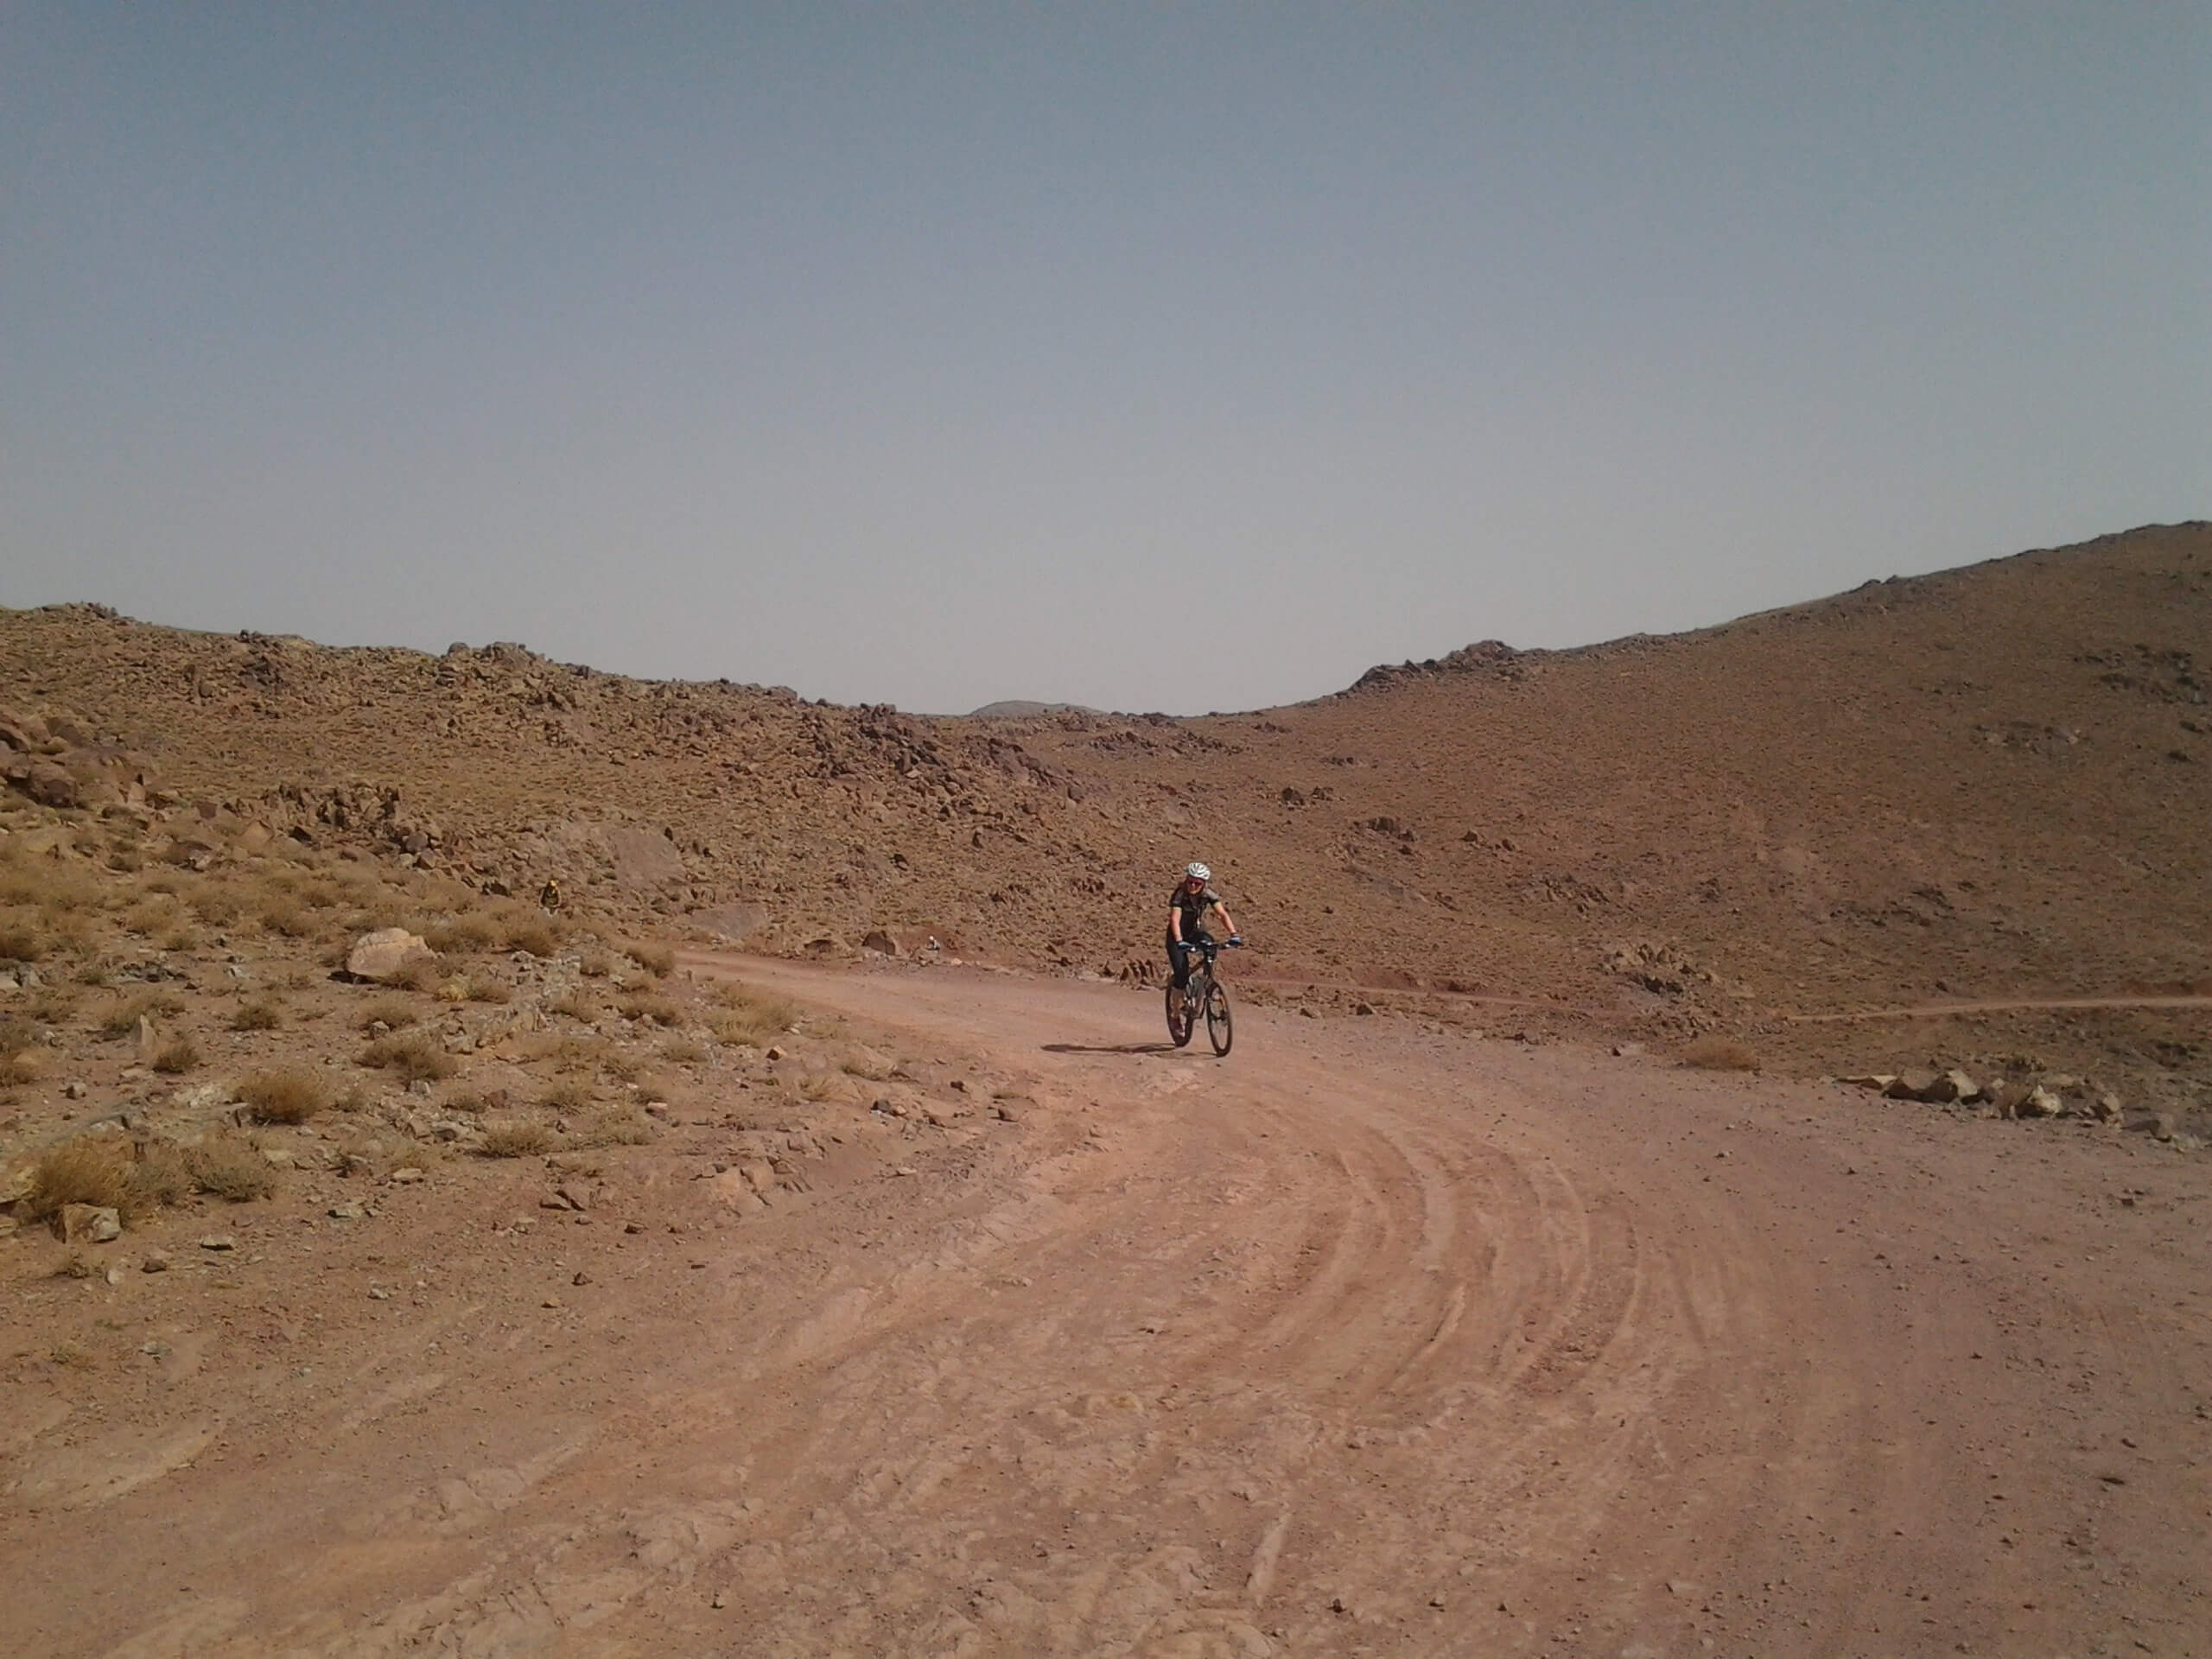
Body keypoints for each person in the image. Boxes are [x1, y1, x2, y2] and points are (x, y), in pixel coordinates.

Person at [1166, 862, 1240, 991]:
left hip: (1195, 931)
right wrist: (1179, 940)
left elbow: (1222, 914)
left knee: (1210, 946)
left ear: (1204, 884)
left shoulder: (1207, 894)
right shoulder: (1180, 895)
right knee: (1181, 977)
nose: (1192, 886)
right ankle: (1177, 1007)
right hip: (1176, 935)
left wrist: (1234, 934)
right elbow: (1175, 919)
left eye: (1197, 883)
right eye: (1190, 882)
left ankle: (1206, 982)